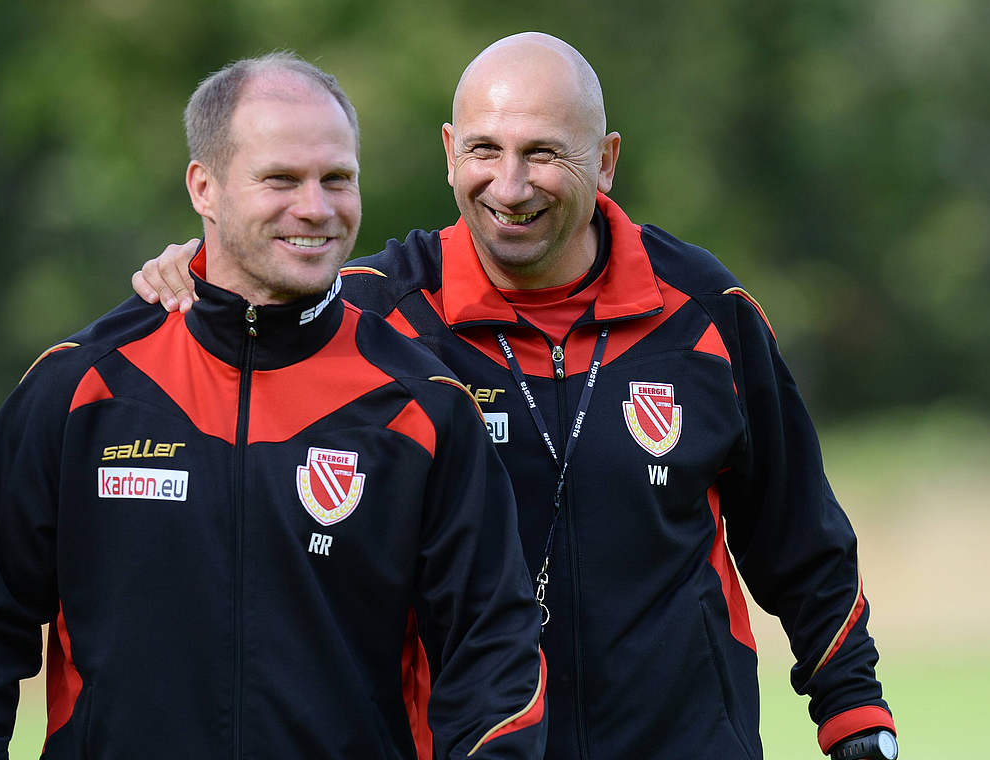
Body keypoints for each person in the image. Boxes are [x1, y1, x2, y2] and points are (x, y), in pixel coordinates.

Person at [134, 34, 898, 760]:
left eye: (542, 154)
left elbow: (800, 536)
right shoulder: (373, 313)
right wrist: (198, 266)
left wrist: (854, 709)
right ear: (447, 153)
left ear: (604, 162)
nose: (510, 185)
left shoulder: (706, 310)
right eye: (484, 150)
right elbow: (252, 317)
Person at [0, 52, 548, 760]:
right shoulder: (80, 389)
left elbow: (494, 661)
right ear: (204, 188)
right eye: (280, 178)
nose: (315, 206)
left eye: (337, 178)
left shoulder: (422, 408)